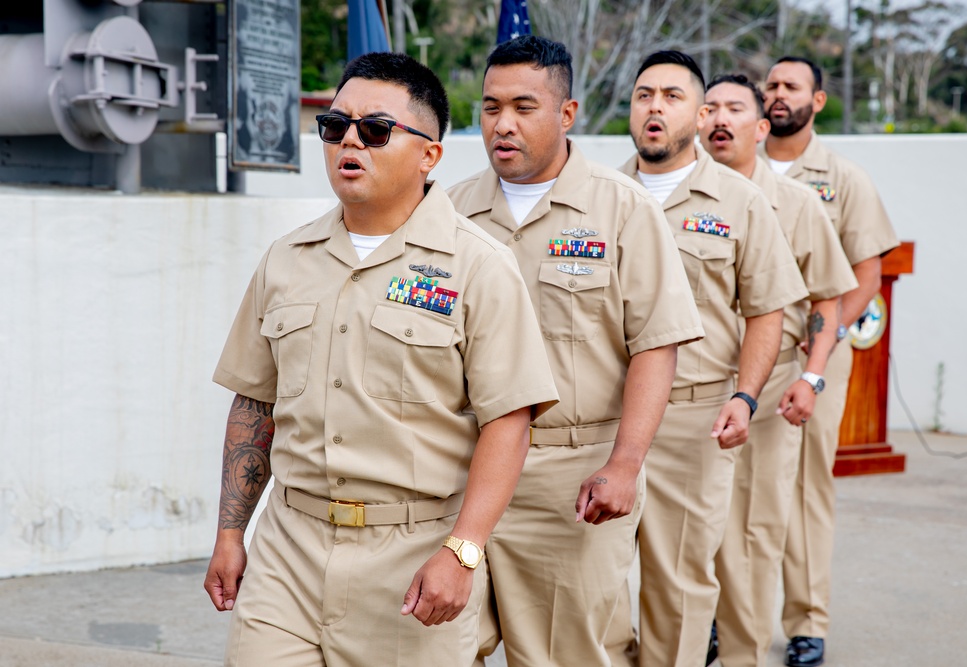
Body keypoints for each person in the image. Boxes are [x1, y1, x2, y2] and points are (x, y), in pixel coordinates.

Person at [203, 52, 560, 667]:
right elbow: (255, 401)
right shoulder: (287, 259)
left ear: (430, 155)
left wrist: (463, 551)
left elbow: (508, 420)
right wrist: (230, 533)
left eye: (374, 129)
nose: (349, 140)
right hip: (289, 550)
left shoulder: (478, 267)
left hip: (410, 560)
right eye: (334, 125)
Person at [448, 36, 704, 667]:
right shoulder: (447, 212)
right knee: (440, 648)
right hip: (460, 472)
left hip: (570, 480)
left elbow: (656, 344)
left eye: (523, 107)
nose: (502, 124)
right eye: (490, 107)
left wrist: (625, 463)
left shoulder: (623, 210)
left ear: (567, 114)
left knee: (559, 654)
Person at [611, 50, 808, 667]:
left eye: (671, 96)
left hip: (692, 420)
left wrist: (746, 397)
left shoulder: (741, 201)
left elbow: (767, 310)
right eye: (644, 95)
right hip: (600, 422)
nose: (655, 107)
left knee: (679, 584)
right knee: (597, 584)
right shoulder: (600, 197)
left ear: (698, 115)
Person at [699, 73, 859, 667]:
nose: (719, 118)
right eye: (709, 106)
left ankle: (745, 641)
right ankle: (707, 623)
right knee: (691, 528)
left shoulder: (795, 204)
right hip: (690, 389)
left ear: (760, 127)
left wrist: (811, 377)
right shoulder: (672, 200)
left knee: (754, 529)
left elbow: (827, 299)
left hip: (765, 396)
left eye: (735, 108)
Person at [761, 56, 900, 667]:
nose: (778, 95)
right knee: (723, 488)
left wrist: (822, 342)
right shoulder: (728, 166)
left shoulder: (843, 178)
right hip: (737, 357)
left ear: (817, 101)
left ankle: (806, 623)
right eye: (770, 85)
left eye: (792, 86)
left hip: (808, 356)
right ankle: (717, 616)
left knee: (805, 487)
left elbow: (867, 275)